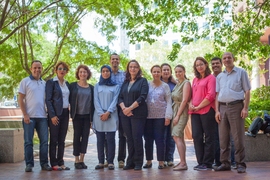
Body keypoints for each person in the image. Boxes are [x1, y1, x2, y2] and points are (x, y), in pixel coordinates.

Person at [214, 52, 251, 173]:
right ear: (222, 61)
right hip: (222, 108)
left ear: (233, 59)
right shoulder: (220, 76)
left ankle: (240, 163)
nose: (227, 59)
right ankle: (225, 163)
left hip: (236, 107)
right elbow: (217, 95)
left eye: (229, 57)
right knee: (223, 138)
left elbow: (247, 91)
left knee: (238, 137)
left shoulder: (241, 72)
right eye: (224, 58)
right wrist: (217, 111)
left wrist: (245, 108)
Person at [18, 60, 52, 172]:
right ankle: (29, 164)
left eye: (39, 68)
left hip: (42, 117)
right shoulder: (25, 81)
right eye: (35, 68)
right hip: (29, 117)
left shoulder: (44, 83)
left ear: (42, 69)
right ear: (31, 69)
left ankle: (44, 164)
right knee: (28, 142)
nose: (37, 70)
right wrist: (25, 114)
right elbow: (20, 98)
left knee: (44, 142)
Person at [118, 59, 149, 170]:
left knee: (137, 138)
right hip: (125, 115)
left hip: (138, 114)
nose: (133, 69)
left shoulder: (143, 81)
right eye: (131, 67)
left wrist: (130, 108)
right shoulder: (125, 83)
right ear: (128, 69)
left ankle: (138, 162)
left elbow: (143, 96)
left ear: (138, 69)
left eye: (135, 67)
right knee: (129, 138)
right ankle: (130, 161)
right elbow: (120, 97)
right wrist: (124, 109)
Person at [189, 57, 216, 171]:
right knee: (196, 136)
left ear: (206, 65)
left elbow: (211, 95)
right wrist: (190, 104)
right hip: (195, 112)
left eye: (201, 64)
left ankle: (207, 163)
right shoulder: (195, 79)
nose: (199, 66)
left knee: (209, 136)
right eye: (197, 65)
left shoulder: (211, 78)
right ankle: (200, 162)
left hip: (207, 110)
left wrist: (199, 106)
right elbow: (192, 95)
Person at [143, 65, 173, 169]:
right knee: (148, 139)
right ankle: (148, 161)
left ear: (160, 73)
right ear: (151, 73)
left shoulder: (165, 86)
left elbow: (169, 101)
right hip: (148, 117)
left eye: (158, 72)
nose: (156, 74)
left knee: (160, 139)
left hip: (161, 117)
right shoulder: (147, 84)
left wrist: (168, 116)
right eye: (154, 72)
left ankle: (161, 161)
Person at [93, 65, 120, 170]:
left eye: (107, 71)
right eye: (103, 71)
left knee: (110, 139)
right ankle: (100, 161)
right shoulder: (97, 86)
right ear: (101, 73)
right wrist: (101, 113)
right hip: (99, 116)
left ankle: (110, 162)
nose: (105, 73)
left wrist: (108, 112)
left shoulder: (116, 86)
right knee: (100, 139)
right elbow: (96, 100)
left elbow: (115, 100)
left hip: (111, 115)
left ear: (110, 73)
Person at [211, 57, 236, 169]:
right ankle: (219, 161)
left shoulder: (227, 75)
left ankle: (233, 161)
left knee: (231, 136)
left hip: (227, 108)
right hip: (213, 111)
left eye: (217, 63)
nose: (215, 65)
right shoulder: (210, 78)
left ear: (221, 64)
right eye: (213, 64)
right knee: (218, 137)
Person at [45, 61, 70, 171]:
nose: (62, 70)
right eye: (60, 68)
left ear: (66, 71)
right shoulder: (51, 82)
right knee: (54, 139)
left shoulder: (67, 83)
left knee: (62, 140)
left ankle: (61, 162)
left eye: (64, 69)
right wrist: (52, 115)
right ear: (56, 70)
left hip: (65, 113)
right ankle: (54, 163)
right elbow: (48, 100)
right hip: (55, 115)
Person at [69, 65, 94, 169]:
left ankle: (82, 159)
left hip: (87, 116)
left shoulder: (92, 88)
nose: (83, 74)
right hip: (77, 115)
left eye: (85, 72)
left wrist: (92, 119)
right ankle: (76, 159)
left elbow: (94, 103)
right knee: (76, 136)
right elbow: (67, 98)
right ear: (78, 74)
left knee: (85, 137)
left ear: (87, 74)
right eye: (81, 72)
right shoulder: (73, 86)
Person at [171, 65, 191, 171]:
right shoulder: (177, 83)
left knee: (176, 135)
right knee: (180, 137)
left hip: (181, 111)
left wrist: (178, 115)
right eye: (176, 72)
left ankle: (183, 163)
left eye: (180, 71)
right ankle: (183, 161)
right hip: (175, 109)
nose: (178, 73)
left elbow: (184, 100)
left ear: (184, 71)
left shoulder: (186, 83)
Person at [110, 53, 126, 168]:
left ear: (119, 61)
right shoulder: (106, 73)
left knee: (122, 135)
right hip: (109, 108)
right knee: (108, 135)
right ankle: (108, 159)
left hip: (121, 108)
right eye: (113, 59)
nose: (115, 61)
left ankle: (121, 159)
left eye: (117, 59)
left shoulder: (124, 75)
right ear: (110, 61)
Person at [160, 63, 176, 166]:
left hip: (173, 113)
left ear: (170, 72)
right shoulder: (157, 83)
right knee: (162, 137)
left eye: (168, 70)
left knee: (171, 137)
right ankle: (162, 159)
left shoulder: (174, 84)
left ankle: (170, 159)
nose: (166, 71)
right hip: (161, 114)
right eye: (164, 70)